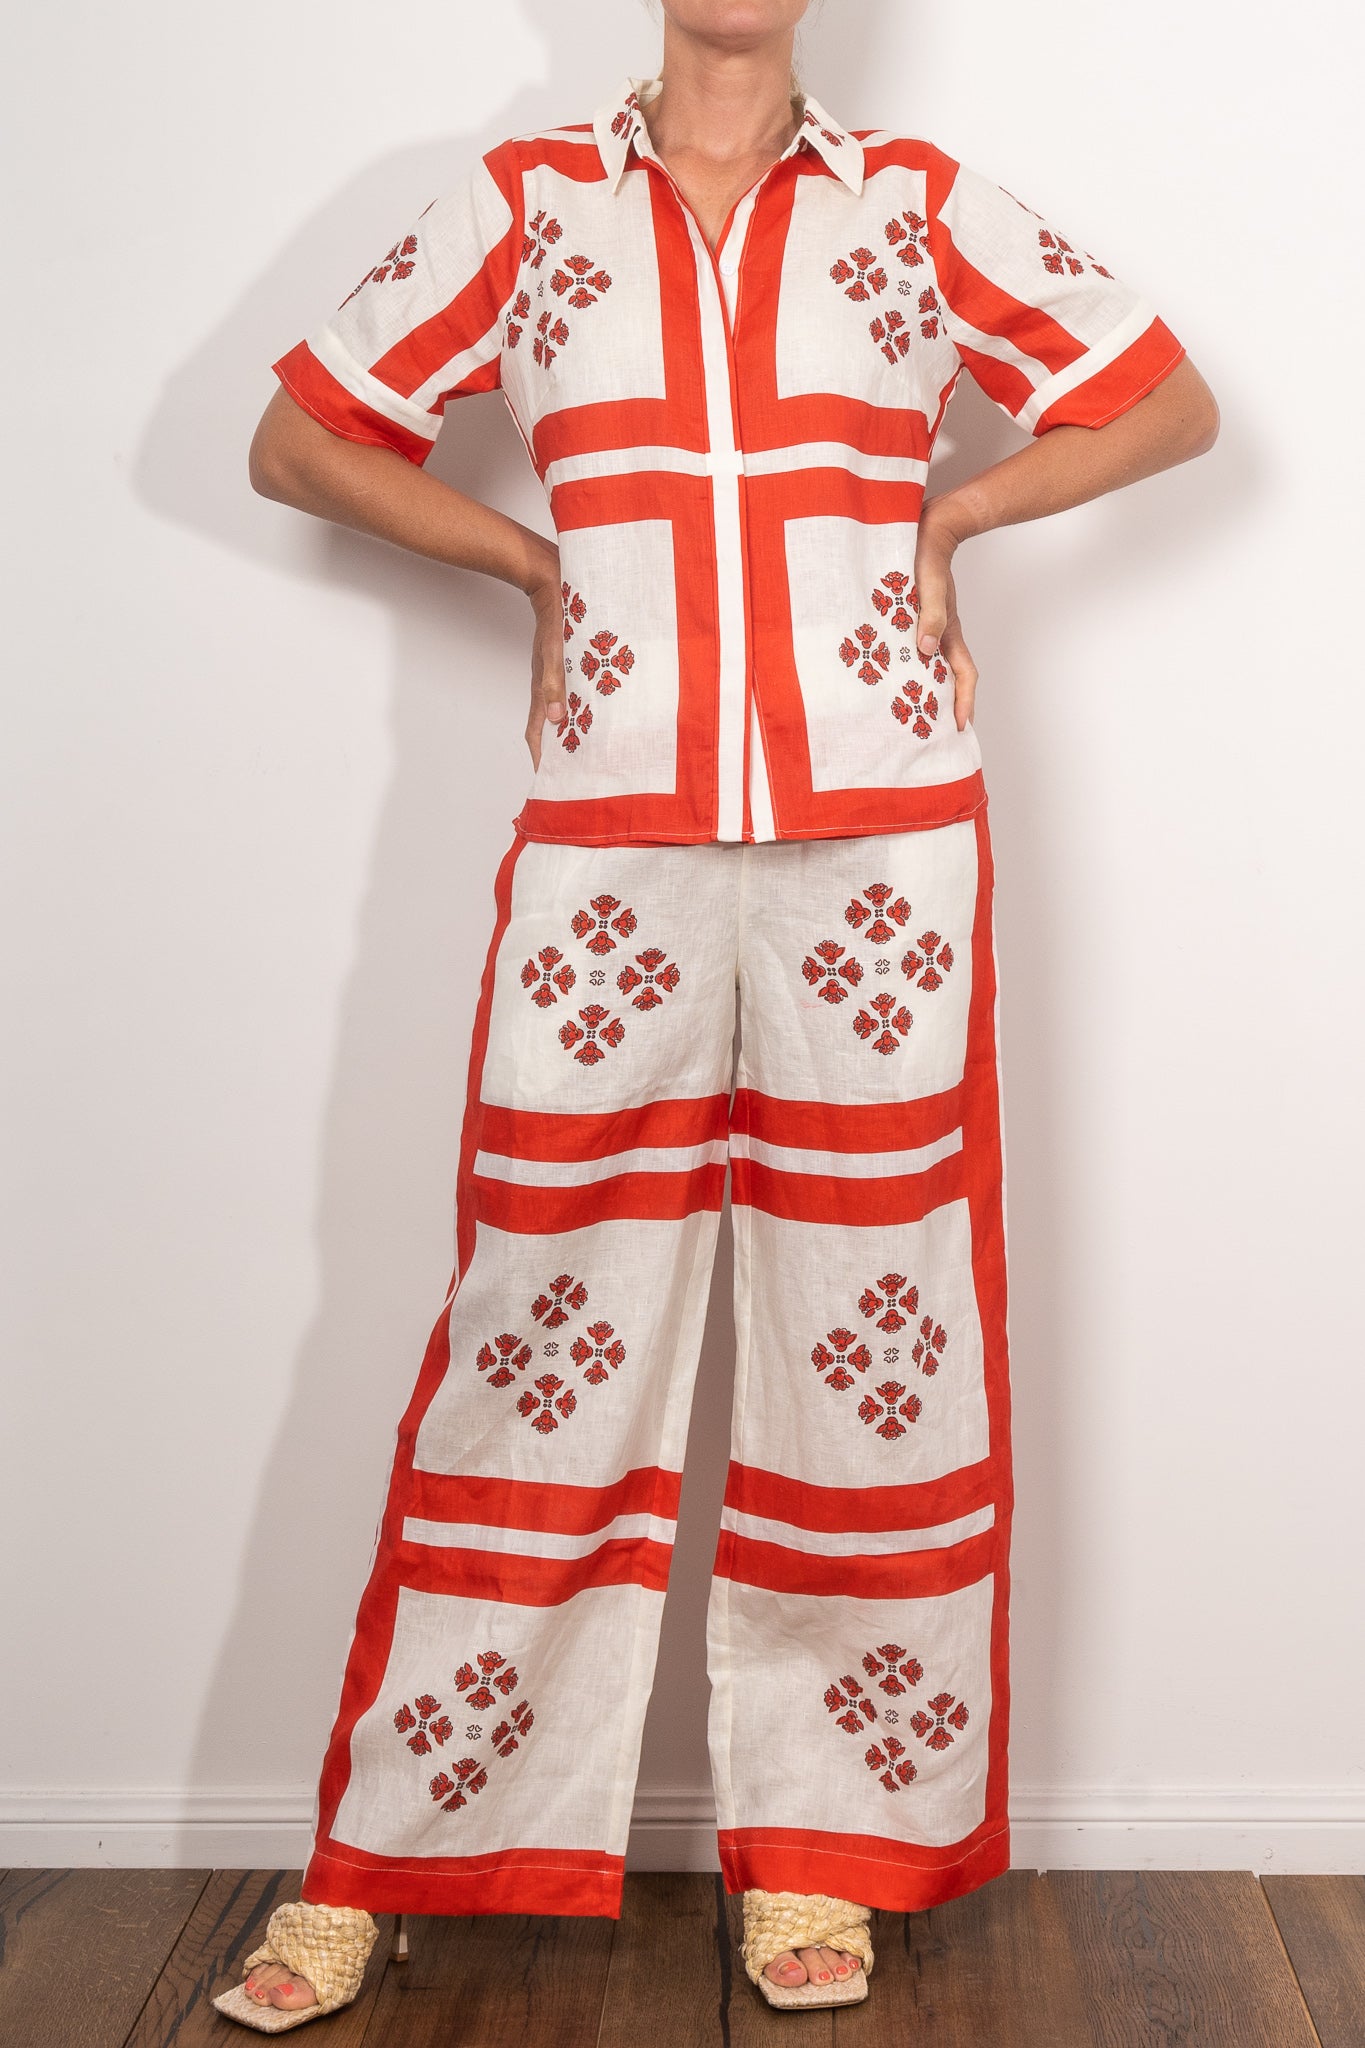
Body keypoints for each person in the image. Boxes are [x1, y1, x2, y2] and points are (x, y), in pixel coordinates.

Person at [216, 0, 1219, 2027]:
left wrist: (950, 516)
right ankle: (386, 1854)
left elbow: (1161, 403)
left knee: (874, 1324)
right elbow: (302, 436)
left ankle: (823, 1850)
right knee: (535, 1320)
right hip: (613, 833)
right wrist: (529, 566)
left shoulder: (913, 209)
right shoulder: (527, 208)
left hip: (882, 838)